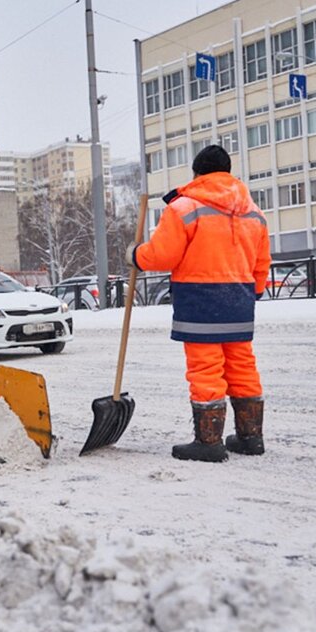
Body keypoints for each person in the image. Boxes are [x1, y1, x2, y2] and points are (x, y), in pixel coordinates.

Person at [128, 145, 272, 463]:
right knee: (242, 366)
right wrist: (254, 292)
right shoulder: (253, 212)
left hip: (200, 298)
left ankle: (209, 442)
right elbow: (262, 263)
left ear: (196, 173)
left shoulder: (184, 208)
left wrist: (136, 254)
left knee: (205, 368)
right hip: (239, 299)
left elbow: (164, 255)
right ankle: (251, 437)